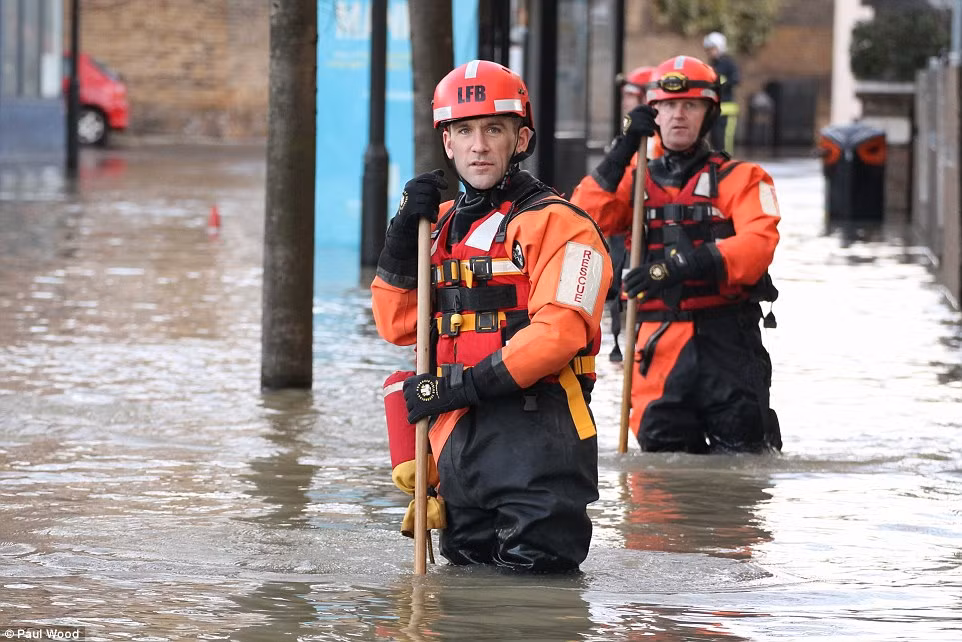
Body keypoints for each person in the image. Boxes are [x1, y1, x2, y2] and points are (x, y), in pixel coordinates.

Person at [372, 60, 613, 572]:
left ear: (520, 139)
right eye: (464, 131)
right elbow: (398, 326)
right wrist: (399, 239)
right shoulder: (435, 228)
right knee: (465, 595)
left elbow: (558, 333)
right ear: (448, 143)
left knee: (533, 598)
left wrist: (459, 387)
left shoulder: (563, 225)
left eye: (493, 130)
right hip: (456, 442)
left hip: (539, 441)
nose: (478, 145)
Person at [570, 55, 782, 454]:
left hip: (729, 341)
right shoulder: (633, 180)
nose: (678, 115)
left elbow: (759, 246)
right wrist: (621, 150)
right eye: (667, 106)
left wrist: (676, 267)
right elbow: (580, 221)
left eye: (690, 105)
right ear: (654, 114)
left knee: (744, 463)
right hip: (658, 343)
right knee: (659, 474)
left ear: (709, 114)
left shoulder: (744, 179)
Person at [606, 65, 663, 362]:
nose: (625, 102)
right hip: (622, 239)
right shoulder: (627, 139)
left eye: (631, 95)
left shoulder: (655, 146)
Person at [703, 31, 740, 153]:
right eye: (708, 50)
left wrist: (722, 83)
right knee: (715, 139)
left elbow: (736, 79)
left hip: (727, 109)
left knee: (725, 140)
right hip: (715, 109)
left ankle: (726, 161)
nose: (709, 52)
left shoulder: (728, 63)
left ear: (719, 47)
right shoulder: (712, 65)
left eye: (712, 49)